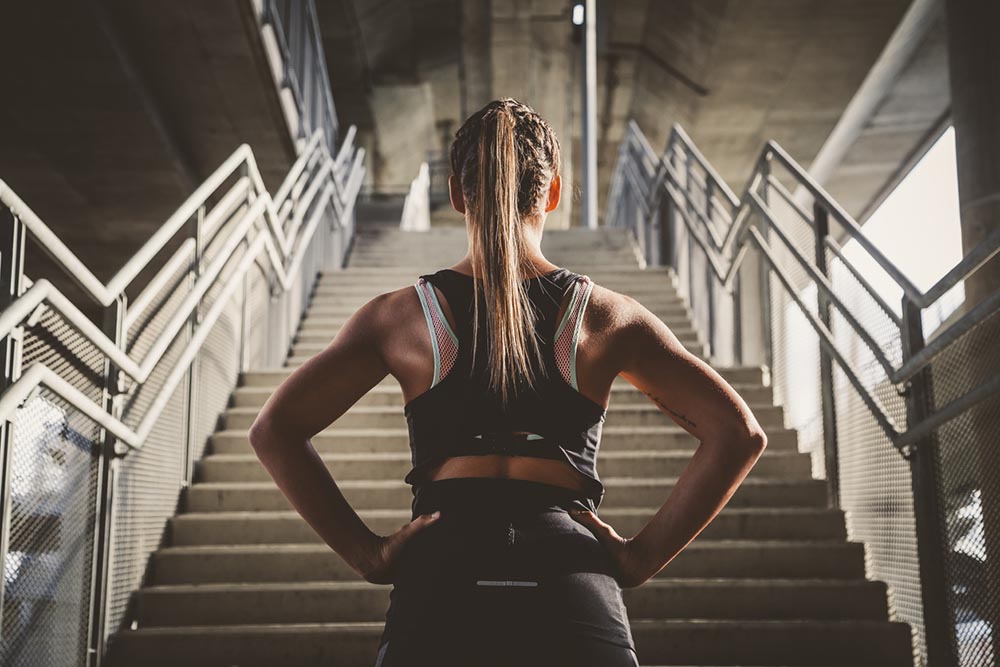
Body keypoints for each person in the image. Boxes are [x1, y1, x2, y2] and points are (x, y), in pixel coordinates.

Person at [247, 98, 769, 667]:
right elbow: (737, 433)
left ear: (457, 194)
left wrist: (368, 556)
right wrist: (640, 558)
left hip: (441, 576)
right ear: (552, 194)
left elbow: (274, 429)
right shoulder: (604, 316)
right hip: (569, 578)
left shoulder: (399, 318)